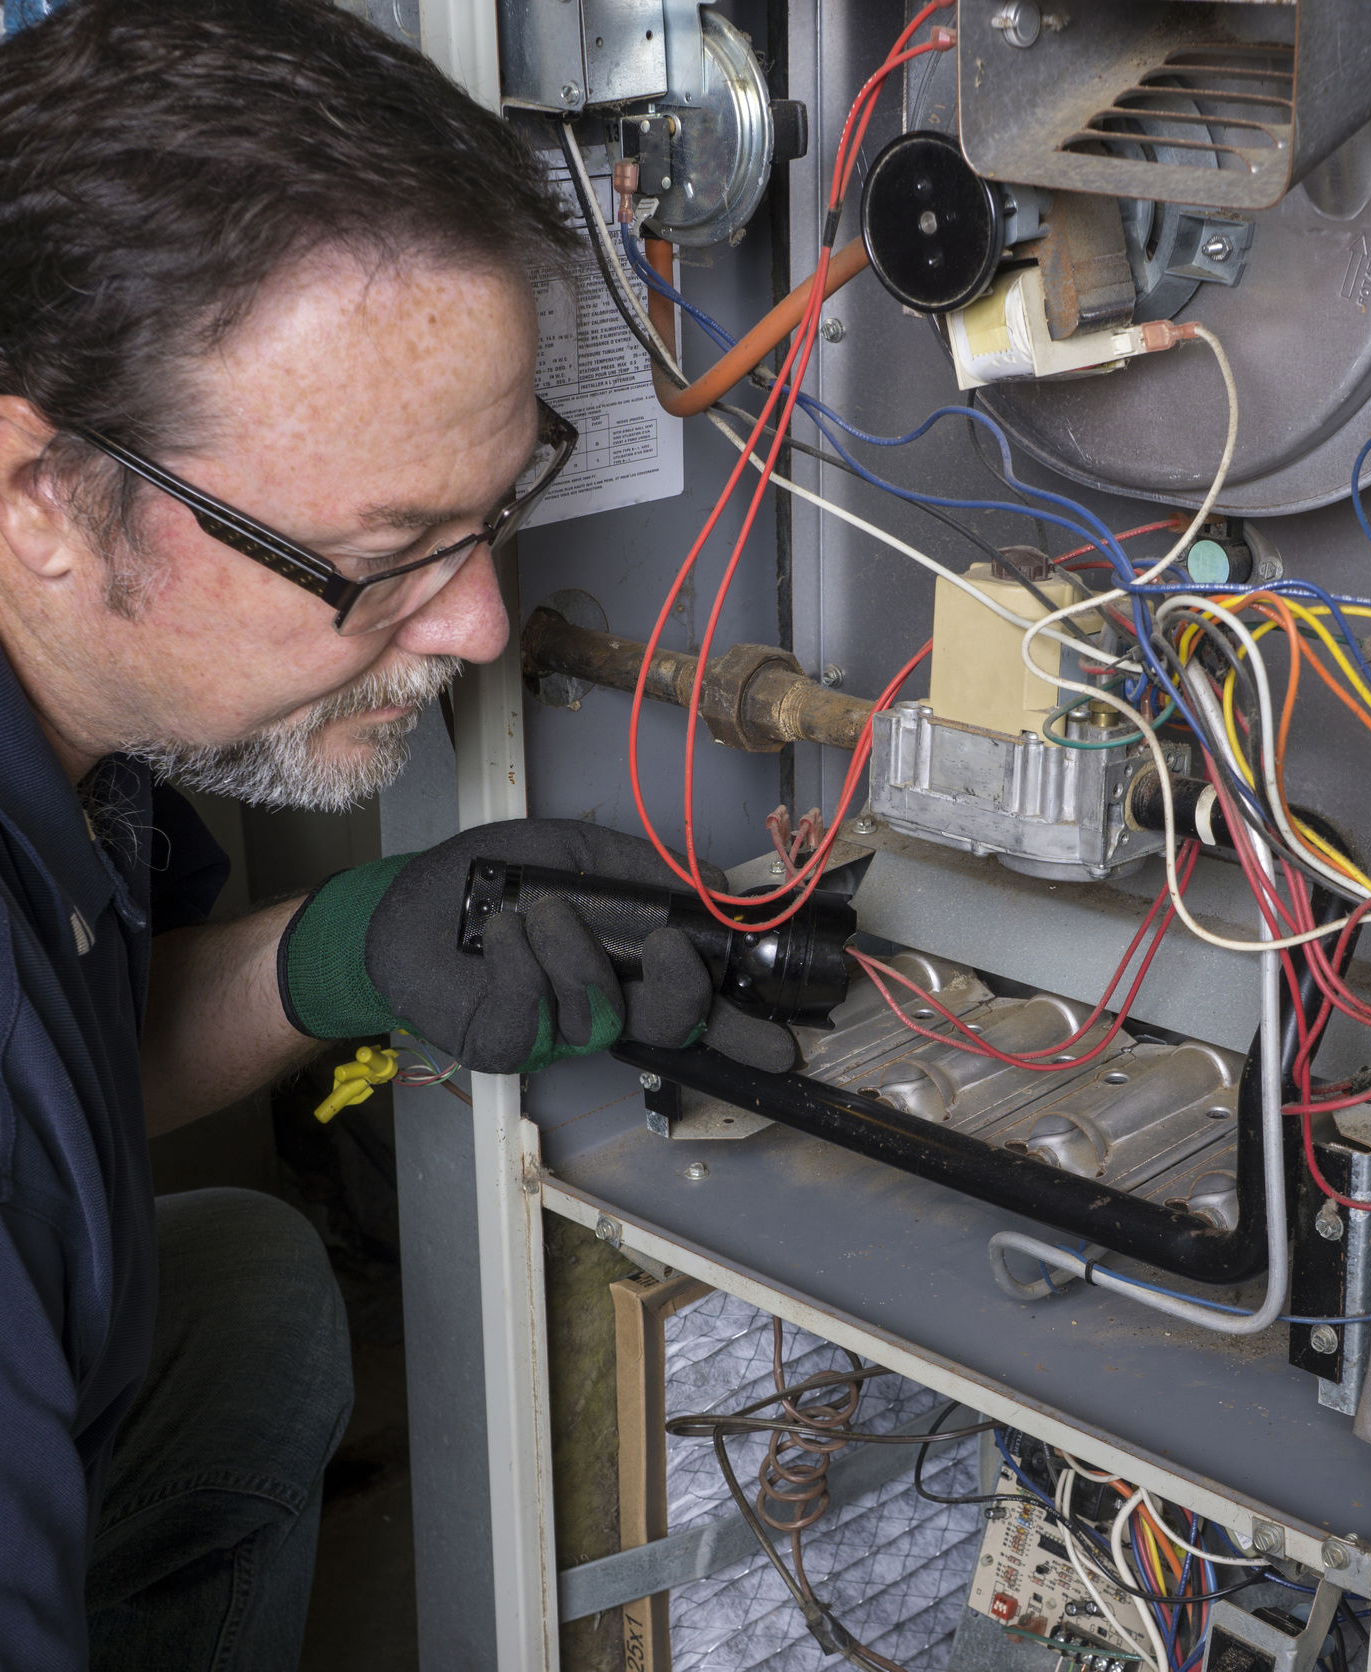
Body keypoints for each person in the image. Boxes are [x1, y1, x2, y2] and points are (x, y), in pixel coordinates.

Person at [0, 2, 787, 1666]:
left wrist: (346, 944)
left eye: (495, 513)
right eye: (390, 551)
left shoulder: (78, 731)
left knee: (254, 1305)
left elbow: (71, 1068)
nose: (483, 628)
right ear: (39, 495)